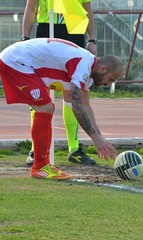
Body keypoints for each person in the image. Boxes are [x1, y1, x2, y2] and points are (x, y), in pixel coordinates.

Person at [0, 38, 122, 180]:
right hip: (16, 61)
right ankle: (40, 167)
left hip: (20, 61)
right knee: (45, 108)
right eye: (111, 79)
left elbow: (86, 106)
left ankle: (42, 166)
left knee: (46, 108)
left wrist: (100, 137)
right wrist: (95, 138)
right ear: (103, 69)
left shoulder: (88, 70)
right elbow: (76, 106)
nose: (108, 84)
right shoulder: (83, 64)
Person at [22, 0, 97, 166]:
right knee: (39, 90)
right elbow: (31, 6)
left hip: (73, 28)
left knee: (72, 89)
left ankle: (75, 149)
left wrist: (92, 39)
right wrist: (25, 37)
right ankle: (36, 150)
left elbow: (87, 8)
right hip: (46, 27)